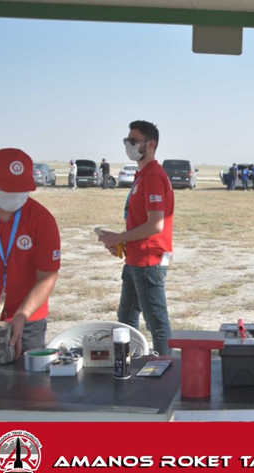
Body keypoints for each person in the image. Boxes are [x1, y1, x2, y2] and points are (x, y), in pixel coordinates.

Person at [97, 120, 174, 356]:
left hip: (148, 261)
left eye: (133, 140)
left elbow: (155, 225)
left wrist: (120, 237)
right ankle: (128, 364)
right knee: (126, 318)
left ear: (150, 144)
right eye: (126, 140)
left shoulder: (153, 176)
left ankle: (166, 367)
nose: (128, 145)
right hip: (135, 259)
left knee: (156, 323)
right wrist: (121, 241)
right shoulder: (142, 175)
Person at [0, 148, 61, 357]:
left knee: (28, 376)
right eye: (9, 189)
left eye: (21, 189)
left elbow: (47, 277)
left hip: (28, 319)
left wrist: (23, 315)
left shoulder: (43, 220)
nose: (16, 196)